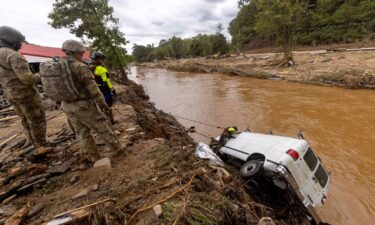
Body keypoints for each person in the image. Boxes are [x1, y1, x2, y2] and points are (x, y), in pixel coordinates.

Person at [53, 40, 123, 163]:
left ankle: (94, 157)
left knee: (82, 133)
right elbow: (94, 90)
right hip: (83, 105)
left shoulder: (56, 66)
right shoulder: (80, 67)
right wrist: (103, 105)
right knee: (103, 128)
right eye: (81, 53)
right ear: (76, 52)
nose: (82, 55)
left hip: (66, 105)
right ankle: (118, 150)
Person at [0, 26, 47, 147]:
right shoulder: (13, 55)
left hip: (10, 93)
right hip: (25, 93)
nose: (20, 45)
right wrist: (41, 74)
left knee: (25, 119)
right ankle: (42, 145)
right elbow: (28, 79)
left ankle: (32, 142)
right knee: (37, 119)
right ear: (10, 40)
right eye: (19, 42)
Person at [90, 51, 115, 124]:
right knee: (108, 104)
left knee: (99, 105)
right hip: (104, 89)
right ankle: (111, 121)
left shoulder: (91, 69)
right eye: (102, 59)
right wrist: (112, 89)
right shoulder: (102, 69)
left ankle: (102, 121)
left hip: (95, 89)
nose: (103, 60)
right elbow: (106, 81)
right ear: (98, 59)